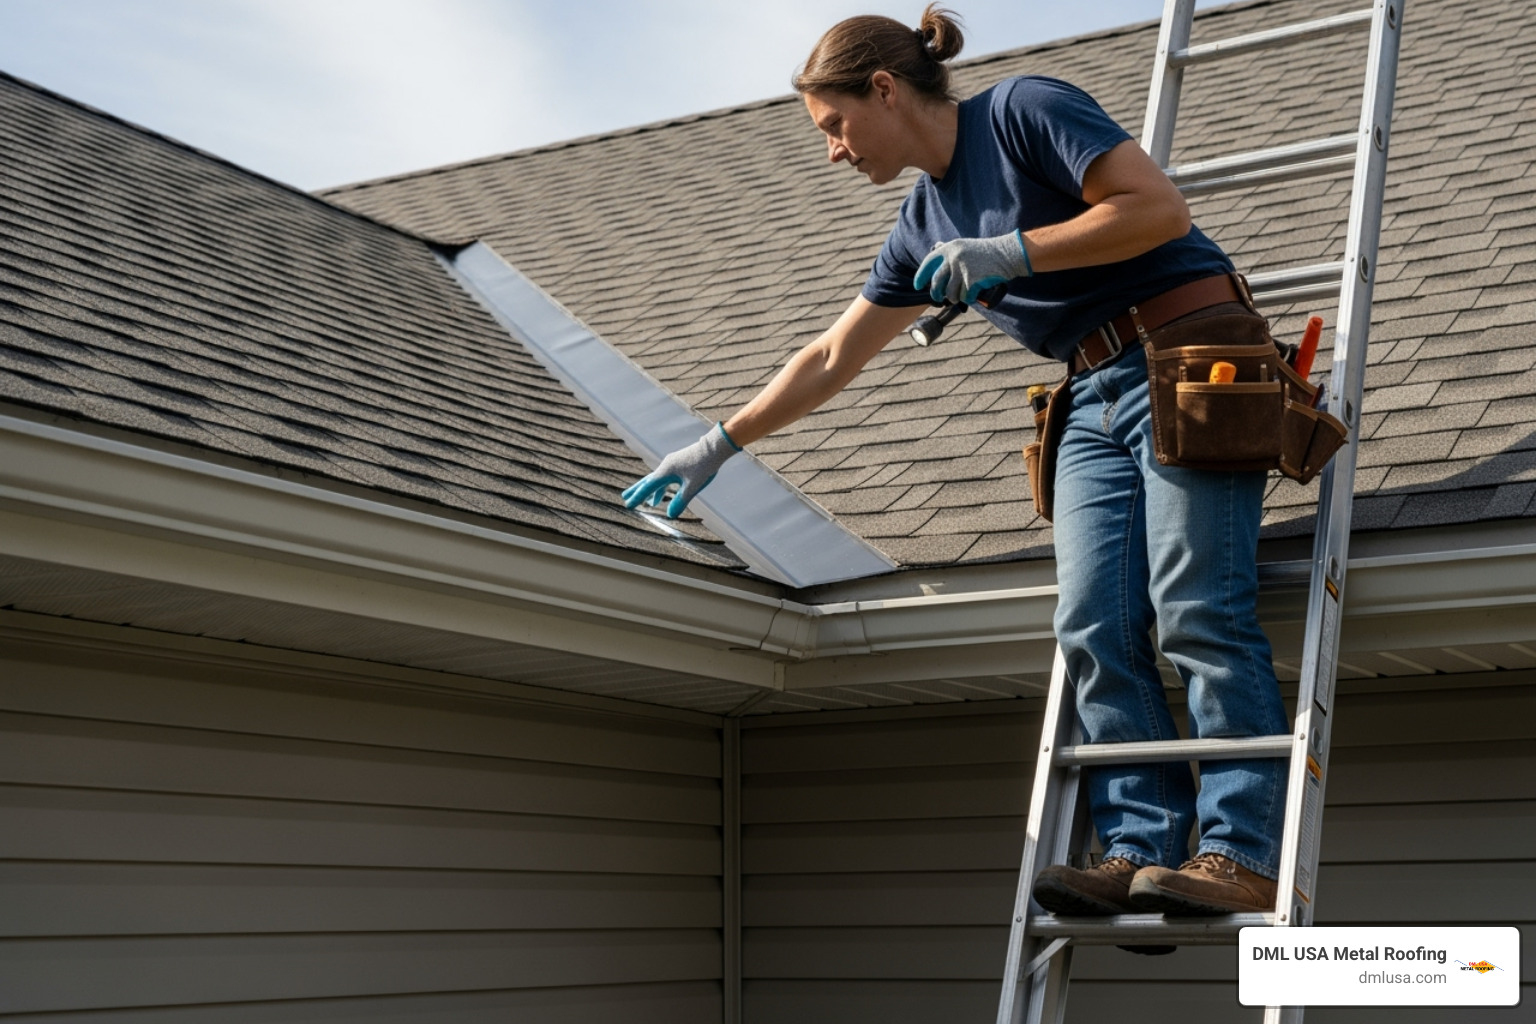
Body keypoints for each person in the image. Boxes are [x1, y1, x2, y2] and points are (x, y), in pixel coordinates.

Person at [622, 5, 1288, 918]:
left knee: (1196, 609)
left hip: (1189, 352)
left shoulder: (1025, 110)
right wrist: (715, 446)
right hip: (1089, 393)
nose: (833, 152)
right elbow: (830, 358)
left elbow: (1158, 208)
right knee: (1093, 628)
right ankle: (1139, 846)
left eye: (835, 125)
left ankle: (1240, 853)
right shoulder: (917, 225)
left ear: (885, 91)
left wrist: (1010, 249)